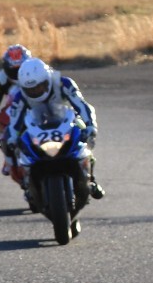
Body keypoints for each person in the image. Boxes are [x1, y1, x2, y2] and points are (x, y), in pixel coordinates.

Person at [6, 56, 105, 199]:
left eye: (39, 87)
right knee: (18, 143)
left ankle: (91, 179)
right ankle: (28, 184)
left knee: (83, 133)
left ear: (47, 80)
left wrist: (90, 126)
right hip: (37, 126)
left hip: (65, 121)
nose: (36, 92)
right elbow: (14, 121)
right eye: (31, 90)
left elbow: (82, 105)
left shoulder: (64, 83)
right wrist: (12, 139)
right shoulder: (20, 96)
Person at [0, 43, 32, 182]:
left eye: (21, 68)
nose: (17, 73)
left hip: (38, 107)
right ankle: (9, 159)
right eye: (14, 70)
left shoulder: (38, 71)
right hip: (13, 110)